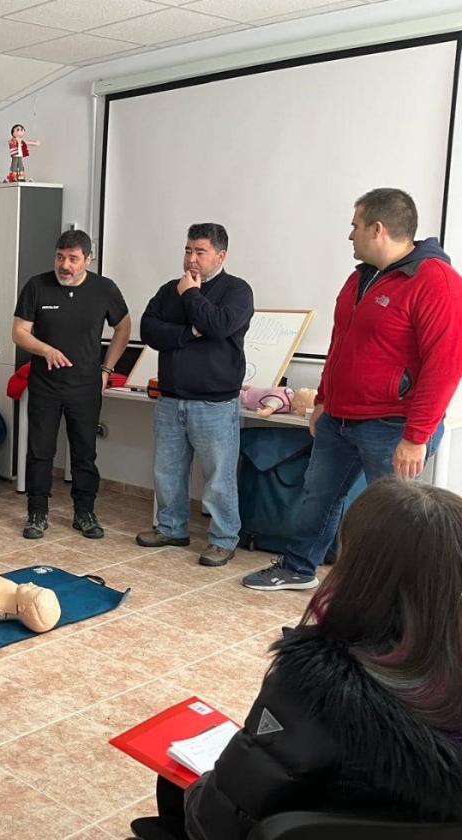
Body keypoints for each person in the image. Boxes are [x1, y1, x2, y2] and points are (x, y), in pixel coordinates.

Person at [131, 480, 462, 840]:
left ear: (356, 574)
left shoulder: (315, 689)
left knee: (173, 788)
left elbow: (215, 822)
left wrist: (202, 786)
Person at [243, 188, 462, 591]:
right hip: (339, 420)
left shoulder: (436, 281)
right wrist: (324, 400)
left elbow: (445, 365)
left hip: (393, 425)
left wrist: (416, 437)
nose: (350, 236)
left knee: (392, 515)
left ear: (378, 229)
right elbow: (340, 343)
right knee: (317, 498)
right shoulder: (360, 277)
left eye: (355, 225)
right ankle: (297, 568)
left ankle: (394, 597)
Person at [137, 224, 254, 567]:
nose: (191, 259)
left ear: (221, 255)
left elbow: (219, 325)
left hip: (215, 402)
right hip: (172, 397)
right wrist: (189, 331)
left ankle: (222, 538)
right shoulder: (168, 290)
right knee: (168, 470)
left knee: (218, 475)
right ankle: (171, 528)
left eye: (200, 252)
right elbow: (149, 329)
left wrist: (190, 295)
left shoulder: (237, 291)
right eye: (188, 250)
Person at [12, 230, 131, 540]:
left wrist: (107, 368)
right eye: (60, 257)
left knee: (84, 452)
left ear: (88, 260)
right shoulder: (37, 286)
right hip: (45, 385)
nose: (64, 265)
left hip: (86, 386)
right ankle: (37, 513)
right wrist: (45, 350)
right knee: (40, 451)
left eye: (73, 259)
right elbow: (19, 332)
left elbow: (123, 327)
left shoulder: (104, 289)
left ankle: (84, 512)